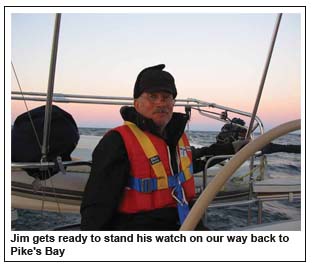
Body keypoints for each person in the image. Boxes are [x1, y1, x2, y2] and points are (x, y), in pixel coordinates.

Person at [80, 64, 245, 231]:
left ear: (173, 103)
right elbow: (97, 205)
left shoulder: (176, 137)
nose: (160, 103)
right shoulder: (117, 142)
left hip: (186, 221)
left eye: (166, 97)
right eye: (152, 96)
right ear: (137, 104)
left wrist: (232, 149)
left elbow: (191, 162)